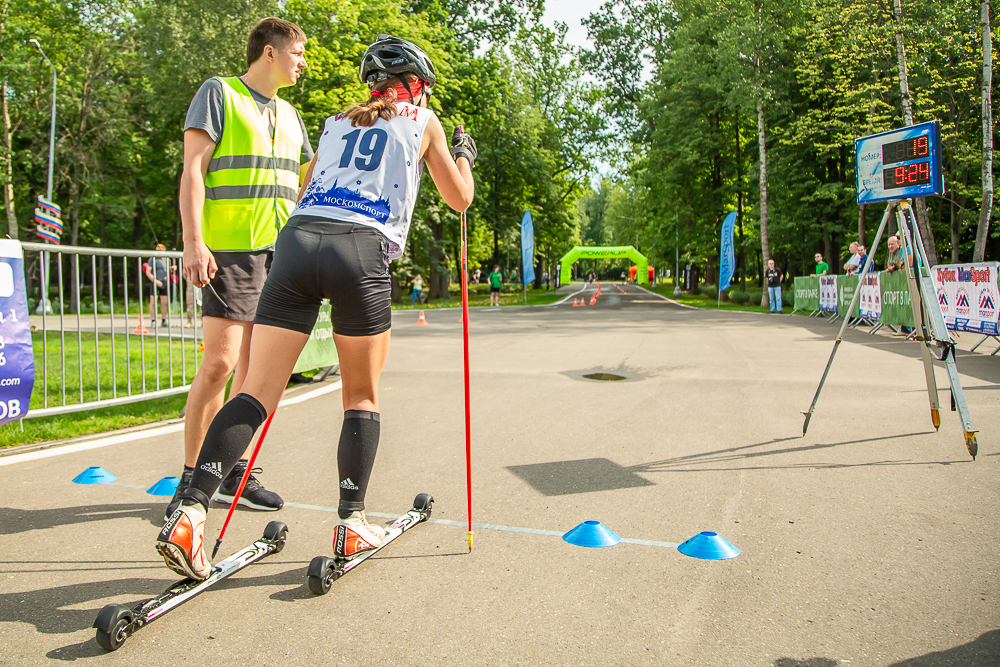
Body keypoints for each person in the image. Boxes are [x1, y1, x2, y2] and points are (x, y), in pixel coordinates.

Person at [156, 34, 476, 580]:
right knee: (362, 396)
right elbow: (460, 197)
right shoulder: (424, 122)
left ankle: (190, 510)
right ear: (417, 87)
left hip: (298, 244)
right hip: (361, 249)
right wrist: (464, 156)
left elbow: (308, 183)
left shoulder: (335, 122)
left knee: (256, 388)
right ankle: (352, 521)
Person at [165, 18, 314, 521]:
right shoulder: (218, 93)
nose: (303, 62)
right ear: (269, 53)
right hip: (228, 249)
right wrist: (193, 242)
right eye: (297, 53)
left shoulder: (293, 115)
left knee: (253, 374)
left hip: (281, 254)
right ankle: (191, 479)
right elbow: (192, 170)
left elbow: (307, 178)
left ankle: (234, 471)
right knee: (220, 364)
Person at [145, 244, 170, 328]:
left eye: (160, 248)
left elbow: (168, 269)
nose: (158, 250)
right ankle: (153, 320)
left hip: (164, 281)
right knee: (153, 301)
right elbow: (148, 272)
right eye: (157, 248)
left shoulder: (167, 259)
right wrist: (154, 280)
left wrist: (173, 268)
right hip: (155, 281)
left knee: (164, 302)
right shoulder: (152, 259)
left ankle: (164, 320)